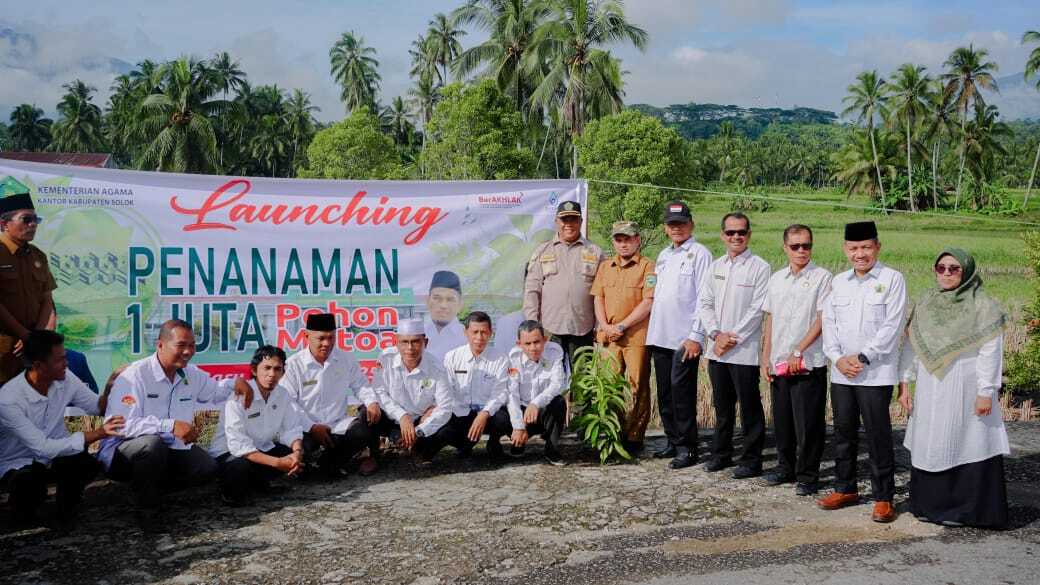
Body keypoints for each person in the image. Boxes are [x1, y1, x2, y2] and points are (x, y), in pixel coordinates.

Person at [898, 248, 1009, 528]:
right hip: (929, 384)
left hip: (966, 384)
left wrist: (986, 391)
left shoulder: (983, 305)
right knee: (931, 439)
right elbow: (912, 345)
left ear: (968, 271)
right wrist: (905, 383)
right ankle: (929, 506)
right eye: (941, 268)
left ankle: (968, 511)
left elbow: (990, 351)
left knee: (967, 439)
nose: (946, 273)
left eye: (954, 268)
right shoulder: (926, 302)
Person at [99, 319, 235, 531]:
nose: (188, 351)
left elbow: (216, 392)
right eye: (181, 345)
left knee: (206, 467)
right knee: (151, 446)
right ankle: (147, 511)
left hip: (169, 448)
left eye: (192, 345)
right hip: (121, 452)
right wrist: (169, 426)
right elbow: (119, 426)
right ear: (160, 345)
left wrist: (237, 384)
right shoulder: (135, 376)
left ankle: (153, 489)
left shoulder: (191, 373)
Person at [819, 221, 907, 524]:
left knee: (877, 435)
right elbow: (829, 323)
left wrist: (863, 356)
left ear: (877, 247)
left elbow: (892, 325)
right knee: (843, 432)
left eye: (866, 247)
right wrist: (836, 357)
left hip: (875, 373)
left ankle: (883, 497)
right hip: (842, 372)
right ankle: (846, 488)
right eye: (854, 248)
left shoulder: (893, 279)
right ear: (846, 250)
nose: (860, 254)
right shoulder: (838, 281)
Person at [0, 330, 123, 527]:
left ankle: (67, 510)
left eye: (65, 358)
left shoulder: (66, 378)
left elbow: (96, 407)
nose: (66, 364)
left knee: (86, 464)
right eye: (60, 360)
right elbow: (42, 448)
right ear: (38, 365)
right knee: (28, 482)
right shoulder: (9, 399)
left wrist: (109, 387)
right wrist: (98, 432)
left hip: (55, 456)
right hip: (19, 461)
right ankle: (23, 512)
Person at [695, 212, 771, 479]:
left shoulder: (760, 267)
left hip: (744, 350)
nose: (736, 237)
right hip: (717, 349)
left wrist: (732, 336)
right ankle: (721, 453)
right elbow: (704, 303)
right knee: (722, 406)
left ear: (749, 235)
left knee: (749, 407)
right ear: (722, 235)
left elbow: (757, 309)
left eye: (741, 232)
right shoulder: (715, 267)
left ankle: (752, 460)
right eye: (730, 232)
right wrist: (716, 334)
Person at [760, 225, 832, 496]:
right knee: (783, 420)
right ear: (785, 248)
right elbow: (771, 318)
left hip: (808, 362)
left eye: (806, 246)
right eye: (795, 246)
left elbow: (822, 319)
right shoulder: (777, 279)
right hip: (779, 361)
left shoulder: (822, 277)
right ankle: (784, 467)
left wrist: (799, 351)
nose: (801, 251)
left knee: (808, 423)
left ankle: (808, 475)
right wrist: (764, 357)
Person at [647, 200, 713, 469]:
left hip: (684, 338)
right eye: (672, 224)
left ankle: (687, 448)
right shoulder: (663, 255)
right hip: (660, 334)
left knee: (682, 395)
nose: (677, 228)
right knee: (664, 393)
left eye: (682, 223)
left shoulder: (700, 254)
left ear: (691, 225)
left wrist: (696, 336)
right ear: (665, 228)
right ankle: (673, 440)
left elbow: (705, 299)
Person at [281, 313, 379, 478]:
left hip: (337, 424)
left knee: (363, 432)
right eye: (321, 338)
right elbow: (288, 403)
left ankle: (324, 465)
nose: (327, 343)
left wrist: (372, 402)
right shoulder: (293, 365)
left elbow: (361, 385)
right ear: (306, 336)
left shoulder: (345, 358)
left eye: (331, 338)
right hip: (305, 427)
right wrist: (312, 427)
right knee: (294, 447)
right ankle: (318, 466)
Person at [590, 220, 655, 453]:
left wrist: (623, 325)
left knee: (637, 386)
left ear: (638, 239)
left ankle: (634, 436)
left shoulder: (648, 267)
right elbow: (598, 297)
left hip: (635, 336)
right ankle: (611, 432)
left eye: (628, 238)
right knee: (608, 385)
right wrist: (605, 326)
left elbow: (648, 301)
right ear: (613, 242)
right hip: (609, 337)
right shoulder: (605, 267)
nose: (624, 243)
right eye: (619, 239)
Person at [211, 345, 305, 506]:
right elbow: (239, 446)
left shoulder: (282, 394)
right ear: (254, 370)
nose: (272, 374)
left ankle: (257, 484)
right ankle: (229, 493)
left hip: (260, 449)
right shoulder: (238, 397)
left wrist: (296, 453)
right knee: (239, 466)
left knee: (294, 449)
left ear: (283, 372)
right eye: (266, 368)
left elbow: (291, 428)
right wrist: (277, 463)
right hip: (230, 454)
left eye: (277, 369)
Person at [522, 201, 605, 365]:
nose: (569, 224)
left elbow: (602, 294)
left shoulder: (595, 252)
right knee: (552, 380)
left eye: (573, 220)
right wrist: (532, 325)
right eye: (564, 220)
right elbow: (532, 290)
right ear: (556, 222)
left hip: (583, 328)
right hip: (550, 329)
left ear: (581, 222)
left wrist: (599, 325)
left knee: (582, 380)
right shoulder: (542, 251)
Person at [370, 318, 457, 464]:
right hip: (393, 417)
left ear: (425, 343)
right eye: (404, 342)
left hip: (420, 419)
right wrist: (402, 416)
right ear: (396, 342)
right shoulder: (386, 359)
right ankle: (373, 455)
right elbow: (379, 392)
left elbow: (445, 407)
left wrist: (419, 430)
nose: (410, 348)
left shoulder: (437, 368)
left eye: (416, 341)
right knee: (368, 413)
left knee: (450, 424)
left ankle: (421, 451)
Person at [0, 177, 57, 386]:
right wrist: (24, 334)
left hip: (32, 347)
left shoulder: (38, 256)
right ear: (5, 224)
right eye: (26, 219)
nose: (33, 225)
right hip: (5, 345)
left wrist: (37, 337)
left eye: (36, 220)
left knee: (31, 398)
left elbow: (47, 300)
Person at [493, 320, 568, 465]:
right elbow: (512, 394)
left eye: (537, 342)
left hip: (540, 410)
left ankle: (551, 448)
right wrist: (519, 426)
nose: (533, 348)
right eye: (527, 344)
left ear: (545, 340)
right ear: (519, 344)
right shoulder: (513, 359)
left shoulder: (555, 352)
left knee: (559, 402)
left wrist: (536, 403)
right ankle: (514, 442)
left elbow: (557, 384)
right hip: (520, 410)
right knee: (499, 413)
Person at [443, 312, 510, 460]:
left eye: (484, 332)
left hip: (488, 414)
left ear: (491, 333)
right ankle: (465, 444)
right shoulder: (452, 357)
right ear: (465, 332)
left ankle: (493, 443)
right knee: (443, 429)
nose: (479, 338)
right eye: (475, 332)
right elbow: (447, 390)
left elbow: (500, 393)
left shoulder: (501, 358)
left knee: (503, 419)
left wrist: (484, 413)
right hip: (462, 413)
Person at [423, 270, 466, 362]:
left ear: (460, 304)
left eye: (450, 299)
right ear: (427, 301)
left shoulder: (468, 338)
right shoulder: (416, 334)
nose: (443, 305)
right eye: (437, 298)